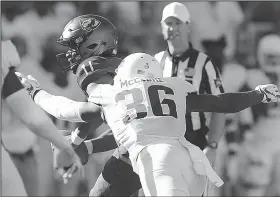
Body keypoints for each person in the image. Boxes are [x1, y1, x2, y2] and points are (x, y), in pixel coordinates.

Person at [18, 52, 280, 196]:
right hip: (191, 162)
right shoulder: (173, 87)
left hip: (155, 162)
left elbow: (64, 109)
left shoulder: (112, 93)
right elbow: (222, 104)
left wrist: (35, 92)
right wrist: (259, 95)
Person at [1, 40, 83, 196]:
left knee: (69, 192)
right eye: (59, 60)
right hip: (44, 147)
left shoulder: (76, 84)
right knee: (43, 191)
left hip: (72, 144)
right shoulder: (40, 85)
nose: (63, 64)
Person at [154, 2, 226, 174]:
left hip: (195, 144)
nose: (173, 29)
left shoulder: (204, 63)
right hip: (160, 146)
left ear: (188, 26)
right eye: (168, 24)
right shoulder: (154, 61)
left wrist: (213, 145)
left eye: (178, 23)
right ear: (162, 28)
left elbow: (220, 106)